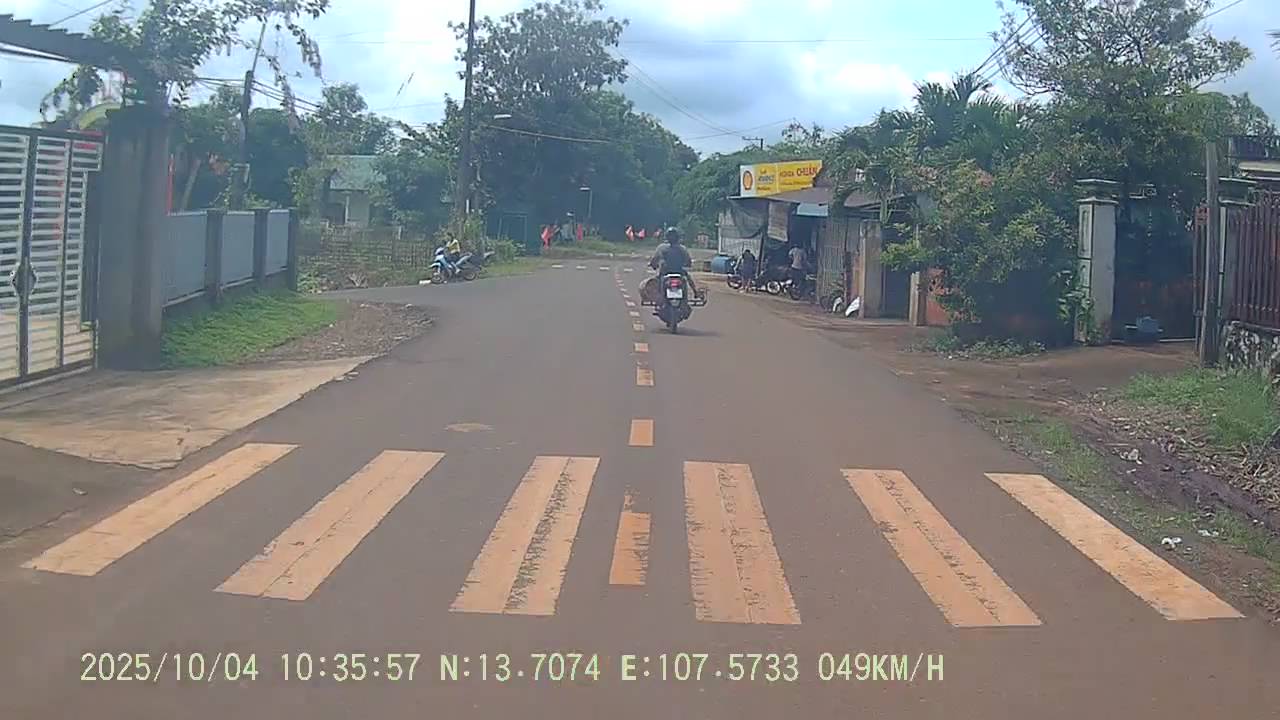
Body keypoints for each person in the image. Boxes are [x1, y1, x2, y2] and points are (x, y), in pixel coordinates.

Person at [646, 227, 700, 302]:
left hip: (665, 272)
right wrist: (688, 265)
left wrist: (653, 265)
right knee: (688, 278)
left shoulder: (662, 248)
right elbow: (688, 261)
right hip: (679, 271)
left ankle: (659, 297)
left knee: (657, 281)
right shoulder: (682, 248)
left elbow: (655, 260)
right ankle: (695, 292)